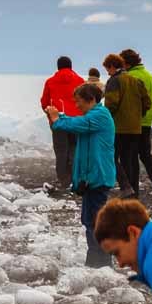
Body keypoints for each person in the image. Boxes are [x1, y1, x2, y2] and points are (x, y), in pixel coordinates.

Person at [46, 83, 116, 268]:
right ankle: (96, 262)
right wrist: (59, 116)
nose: (77, 106)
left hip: (98, 177)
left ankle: (100, 264)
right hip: (91, 178)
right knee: (90, 220)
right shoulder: (92, 117)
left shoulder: (100, 116)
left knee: (95, 222)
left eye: (79, 102)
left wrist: (57, 119)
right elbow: (77, 122)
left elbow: (77, 123)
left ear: (91, 100)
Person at [120, 49, 152, 201]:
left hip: (132, 123)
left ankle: (133, 191)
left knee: (130, 158)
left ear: (127, 63)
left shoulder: (128, 77)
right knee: (146, 155)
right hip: (147, 122)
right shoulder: (150, 76)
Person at [103, 53, 150, 199]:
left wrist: (106, 120)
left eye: (107, 69)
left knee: (111, 156)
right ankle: (132, 192)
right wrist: (137, 116)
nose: (107, 72)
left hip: (118, 127)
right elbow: (147, 102)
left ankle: (125, 186)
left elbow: (111, 104)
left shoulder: (114, 81)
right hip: (135, 128)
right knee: (129, 160)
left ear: (112, 66)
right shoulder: (136, 81)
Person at [40, 56, 85, 190]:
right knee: (74, 149)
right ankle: (74, 178)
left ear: (58, 67)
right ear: (71, 66)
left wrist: (51, 115)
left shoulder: (50, 81)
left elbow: (44, 102)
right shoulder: (80, 81)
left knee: (61, 151)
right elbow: (85, 101)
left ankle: (64, 180)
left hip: (58, 121)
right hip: (76, 121)